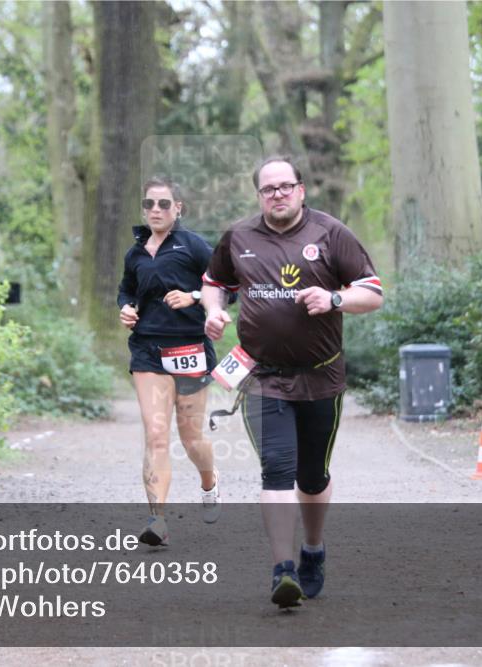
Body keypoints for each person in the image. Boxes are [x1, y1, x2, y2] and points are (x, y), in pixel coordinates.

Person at [201, 156, 383, 607]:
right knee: (276, 470)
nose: (277, 195)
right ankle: (283, 569)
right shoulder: (239, 237)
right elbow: (212, 282)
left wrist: (335, 297)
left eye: (285, 187)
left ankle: (313, 550)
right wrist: (214, 310)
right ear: (259, 195)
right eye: (268, 189)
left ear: (301, 190)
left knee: (312, 477)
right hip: (262, 378)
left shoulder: (330, 234)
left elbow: (373, 293)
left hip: (321, 379)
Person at [118, 177, 221, 547]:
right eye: (149, 204)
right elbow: (127, 289)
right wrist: (126, 308)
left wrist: (194, 296)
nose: (155, 210)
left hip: (190, 348)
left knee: (191, 438)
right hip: (148, 350)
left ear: (179, 208)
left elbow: (223, 286)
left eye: (164, 204)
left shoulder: (192, 245)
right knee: (156, 434)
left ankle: (209, 484)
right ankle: (157, 520)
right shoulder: (136, 253)